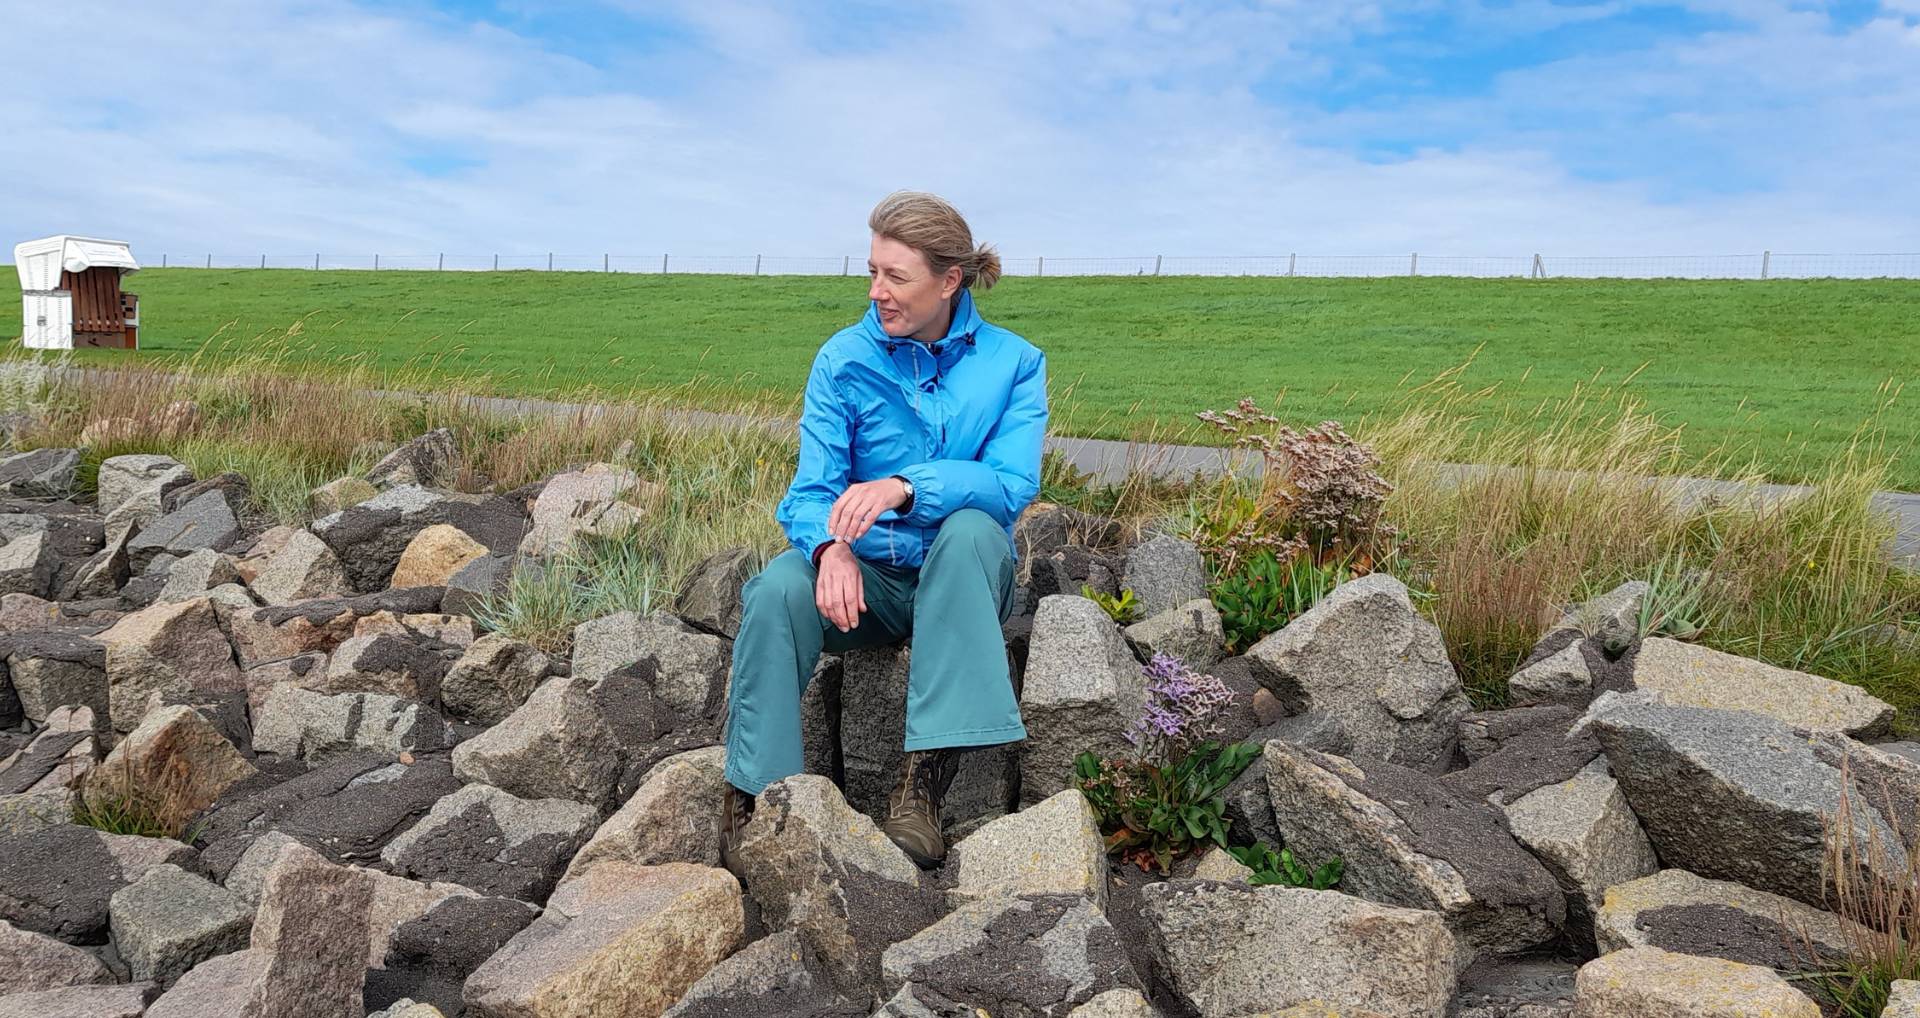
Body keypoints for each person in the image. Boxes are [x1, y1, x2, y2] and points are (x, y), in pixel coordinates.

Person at [720, 190, 1047, 868]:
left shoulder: (1015, 364)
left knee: (968, 528)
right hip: (866, 582)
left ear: (949, 280)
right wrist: (829, 547)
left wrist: (907, 486)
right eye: (872, 271)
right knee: (779, 587)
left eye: (895, 276)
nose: (876, 292)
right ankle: (761, 798)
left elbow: (1011, 486)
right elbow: (810, 492)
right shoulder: (843, 360)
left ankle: (922, 791)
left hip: (961, 575)